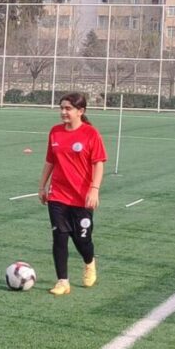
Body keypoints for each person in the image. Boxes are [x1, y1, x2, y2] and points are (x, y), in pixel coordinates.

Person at [38, 92, 106, 296]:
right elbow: (50, 161)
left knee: (82, 239)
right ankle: (63, 281)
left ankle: (89, 262)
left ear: (80, 111)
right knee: (59, 237)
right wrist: (42, 186)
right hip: (58, 195)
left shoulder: (91, 134)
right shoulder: (55, 132)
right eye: (62, 108)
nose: (63, 112)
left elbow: (98, 163)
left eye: (68, 108)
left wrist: (94, 189)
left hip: (82, 197)